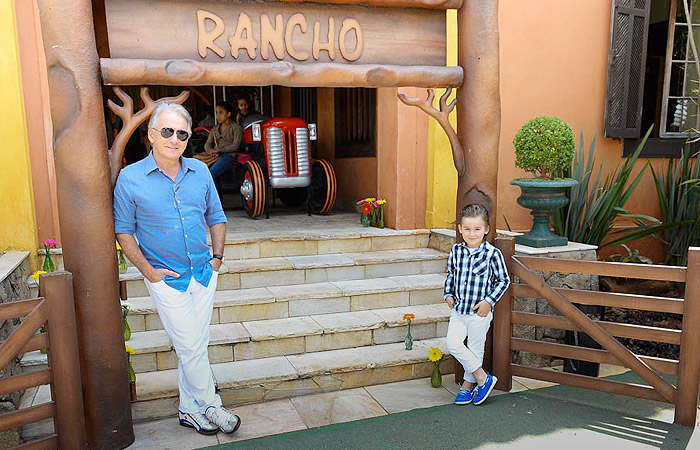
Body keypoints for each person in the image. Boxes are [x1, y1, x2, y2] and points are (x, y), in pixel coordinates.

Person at [113, 102, 241, 435]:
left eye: (182, 133)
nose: (175, 139)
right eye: (167, 131)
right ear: (152, 135)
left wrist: (217, 259)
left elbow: (216, 216)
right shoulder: (130, 179)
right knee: (190, 344)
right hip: (166, 279)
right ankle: (211, 405)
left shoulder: (199, 171)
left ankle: (189, 410)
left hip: (203, 272)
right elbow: (123, 230)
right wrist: (148, 271)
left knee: (195, 343)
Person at [444, 204, 510, 406]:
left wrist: (488, 302)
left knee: (474, 349)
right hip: (459, 310)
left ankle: (467, 386)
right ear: (460, 229)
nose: (472, 234)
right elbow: (451, 275)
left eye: (477, 229)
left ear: (486, 230)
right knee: (453, 344)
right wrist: (447, 293)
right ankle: (483, 378)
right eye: (467, 229)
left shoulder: (492, 254)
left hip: (479, 312)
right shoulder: (456, 251)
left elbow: (503, 280)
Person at [205, 103, 243, 180]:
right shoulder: (215, 129)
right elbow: (208, 143)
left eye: (221, 113)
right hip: (215, 155)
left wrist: (219, 150)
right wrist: (209, 150)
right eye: (216, 113)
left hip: (229, 156)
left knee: (211, 173)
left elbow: (235, 146)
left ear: (228, 114)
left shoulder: (236, 128)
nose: (218, 116)